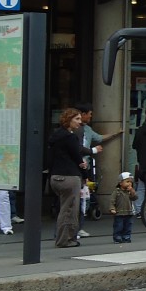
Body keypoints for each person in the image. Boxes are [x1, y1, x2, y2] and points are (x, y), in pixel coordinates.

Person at [49, 108, 93, 247]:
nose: (80, 122)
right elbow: (77, 158)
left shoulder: (55, 136)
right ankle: (65, 239)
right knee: (69, 210)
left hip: (55, 176)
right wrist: (85, 175)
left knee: (63, 207)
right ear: (69, 120)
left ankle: (63, 237)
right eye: (77, 119)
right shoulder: (70, 137)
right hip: (69, 176)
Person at [75, 102, 117, 238]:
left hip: (84, 166)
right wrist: (93, 150)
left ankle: (77, 227)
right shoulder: (75, 131)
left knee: (82, 197)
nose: (90, 117)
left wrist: (115, 133)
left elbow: (98, 137)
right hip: (78, 166)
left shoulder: (86, 129)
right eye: (90, 114)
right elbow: (78, 149)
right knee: (77, 199)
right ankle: (74, 228)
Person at [109, 172, 137, 243]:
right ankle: (117, 237)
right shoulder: (117, 192)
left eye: (131, 182)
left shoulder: (129, 191)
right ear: (120, 183)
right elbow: (112, 200)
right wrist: (112, 208)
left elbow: (134, 198)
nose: (129, 183)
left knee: (128, 226)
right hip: (119, 212)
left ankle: (126, 236)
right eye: (127, 181)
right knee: (118, 225)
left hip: (129, 212)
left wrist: (132, 191)